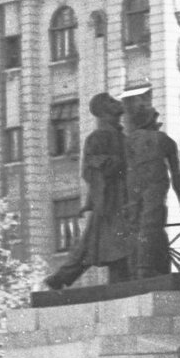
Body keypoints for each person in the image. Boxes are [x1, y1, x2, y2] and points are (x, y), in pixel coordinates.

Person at [42, 93, 129, 290]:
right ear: (103, 111)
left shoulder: (122, 136)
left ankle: (62, 277)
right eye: (110, 102)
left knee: (107, 244)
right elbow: (91, 168)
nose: (117, 103)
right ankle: (60, 278)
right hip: (110, 200)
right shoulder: (98, 137)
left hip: (122, 198)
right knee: (98, 243)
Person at [121, 94, 180, 280]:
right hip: (156, 184)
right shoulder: (164, 140)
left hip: (133, 186)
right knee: (152, 223)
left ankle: (140, 268)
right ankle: (145, 268)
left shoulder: (128, 141)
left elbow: (123, 169)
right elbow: (176, 176)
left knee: (137, 226)